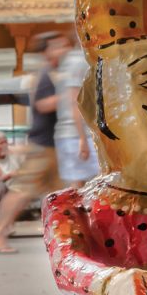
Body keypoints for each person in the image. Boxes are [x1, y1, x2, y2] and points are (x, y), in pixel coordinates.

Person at [0, 31, 69, 254]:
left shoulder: (54, 74)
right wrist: (69, 96)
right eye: (58, 46)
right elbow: (43, 105)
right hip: (42, 146)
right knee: (21, 193)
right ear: (47, 51)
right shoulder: (45, 76)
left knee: (61, 194)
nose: (63, 49)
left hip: (52, 146)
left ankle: (64, 240)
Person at [55, 42, 101, 187]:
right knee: (80, 186)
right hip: (77, 134)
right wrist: (83, 139)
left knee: (85, 185)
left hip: (82, 134)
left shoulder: (82, 60)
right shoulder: (78, 61)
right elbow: (75, 102)